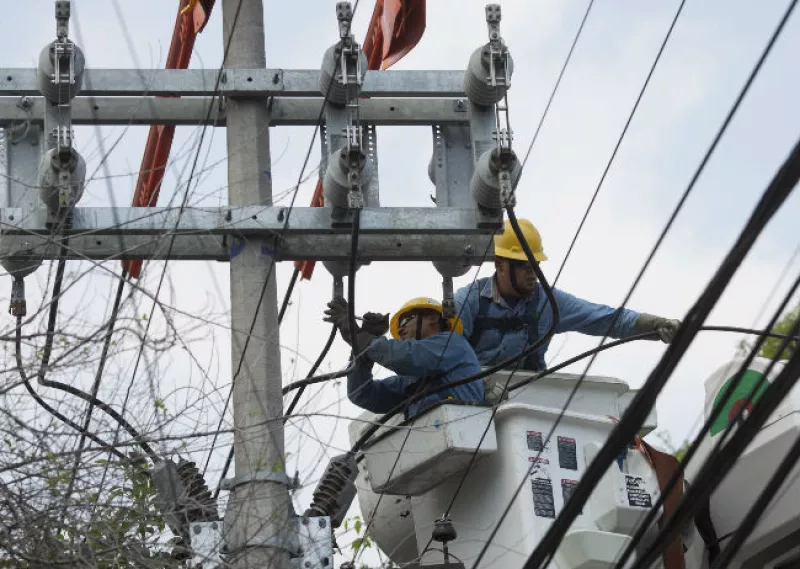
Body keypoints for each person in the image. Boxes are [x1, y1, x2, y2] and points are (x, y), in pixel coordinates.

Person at [454, 218, 682, 371]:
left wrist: (658, 326)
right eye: (525, 265)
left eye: (537, 265)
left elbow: (606, 319)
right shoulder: (470, 302)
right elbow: (445, 353)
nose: (533, 274)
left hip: (528, 402)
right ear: (500, 265)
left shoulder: (547, 302)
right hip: (473, 402)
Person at [323, 296, 485, 418]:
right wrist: (361, 352)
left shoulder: (453, 344)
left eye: (406, 320)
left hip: (464, 434)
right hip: (431, 447)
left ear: (433, 318)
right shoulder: (411, 380)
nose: (400, 330)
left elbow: (402, 356)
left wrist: (361, 337)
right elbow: (362, 394)